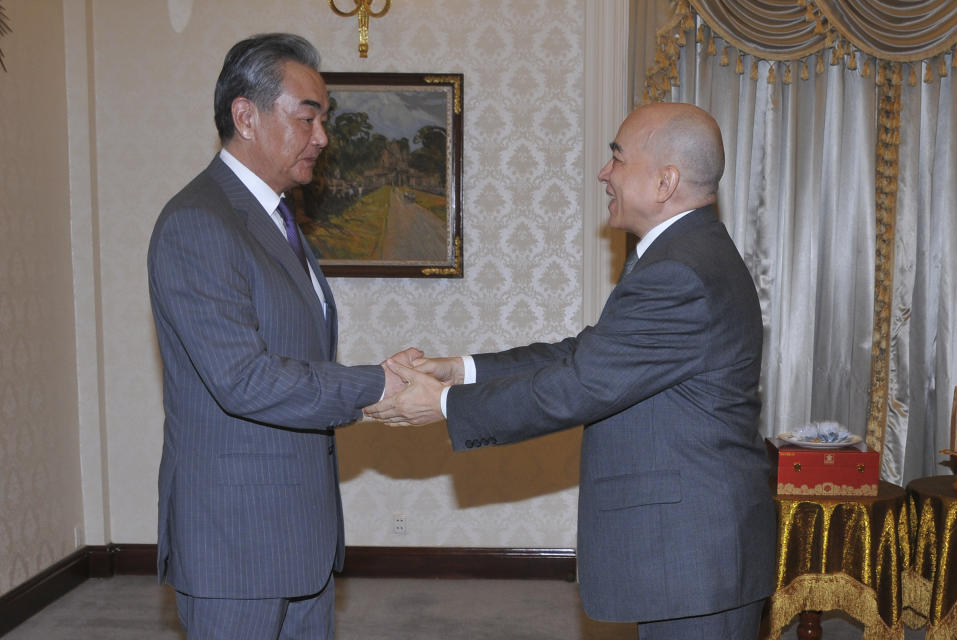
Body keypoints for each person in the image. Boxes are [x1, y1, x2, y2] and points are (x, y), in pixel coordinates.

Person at [366, 102, 777, 639]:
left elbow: (581, 384)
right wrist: (460, 371)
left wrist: (441, 405)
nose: (605, 173)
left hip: (694, 552)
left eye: (618, 158)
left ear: (665, 181)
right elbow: (584, 355)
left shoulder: (680, 270)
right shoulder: (684, 254)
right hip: (694, 546)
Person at [148, 33, 417, 639]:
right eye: (308, 117)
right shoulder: (199, 223)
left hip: (299, 535)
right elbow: (243, 379)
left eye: (325, 120)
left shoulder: (274, 219)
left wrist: (376, 378)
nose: (322, 137)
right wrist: (376, 383)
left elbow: (296, 354)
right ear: (246, 115)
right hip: (237, 541)